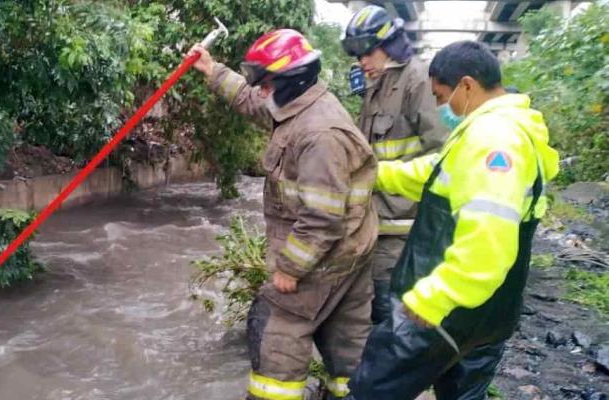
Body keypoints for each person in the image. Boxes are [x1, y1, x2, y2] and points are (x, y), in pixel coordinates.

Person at [345, 41, 560, 399]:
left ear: (467, 86)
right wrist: (374, 174)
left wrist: (430, 300)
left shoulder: (495, 141)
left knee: (371, 390)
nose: (442, 107)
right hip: (490, 315)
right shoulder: (496, 131)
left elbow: (487, 247)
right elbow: (436, 172)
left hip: (446, 311)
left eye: (442, 96)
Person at [188, 29, 378, 399]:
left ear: (290, 82)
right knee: (348, 349)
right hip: (350, 252)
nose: (261, 90)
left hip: (324, 260)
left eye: (266, 83)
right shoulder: (301, 105)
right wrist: (212, 70)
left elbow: (322, 218)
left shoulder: (319, 135)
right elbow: (251, 100)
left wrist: (290, 269)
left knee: (276, 335)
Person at [342, 4, 449, 324]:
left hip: (403, 228)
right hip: (374, 221)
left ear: (388, 45)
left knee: (392, 315)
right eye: (357, 55)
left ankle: (401, 372)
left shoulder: (418, 82)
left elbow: (445, 156)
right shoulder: (377, 85)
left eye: (367, 52)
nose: (362, 62)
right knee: (374, 308)